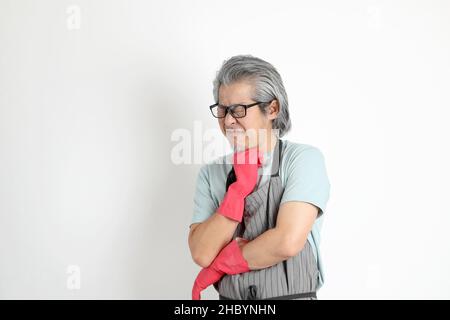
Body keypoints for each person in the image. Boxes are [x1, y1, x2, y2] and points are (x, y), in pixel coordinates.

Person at [188, 55, 331, 300]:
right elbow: (202, 253)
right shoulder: (212, 173)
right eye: (222, 109)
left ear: (272, 109)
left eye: (239, 109)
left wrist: (222, 263)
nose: (228, 120)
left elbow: (287, 241)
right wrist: (238, 190)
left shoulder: (302, 160)